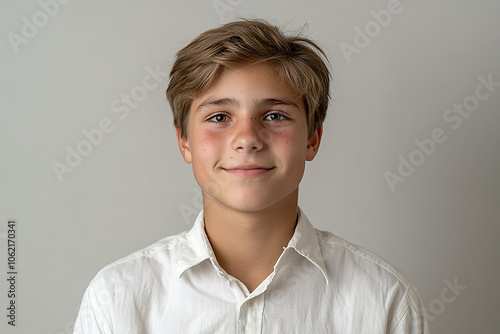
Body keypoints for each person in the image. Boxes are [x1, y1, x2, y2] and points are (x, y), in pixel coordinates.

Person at [74, 19, 429, 333]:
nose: (247, 138)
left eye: (275, 115)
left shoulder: (384, 301)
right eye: (219, 117)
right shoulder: (118, 299)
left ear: (312, 138)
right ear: (184, 141)